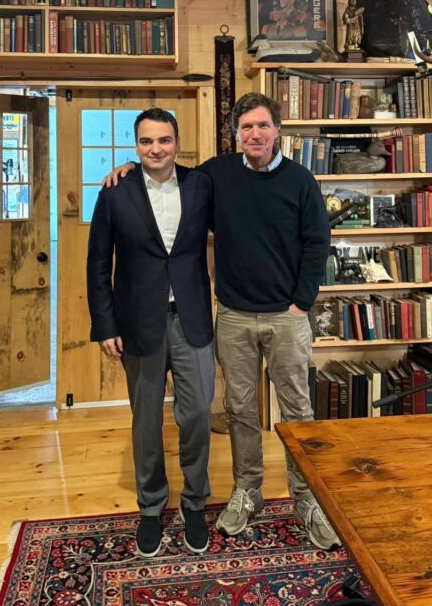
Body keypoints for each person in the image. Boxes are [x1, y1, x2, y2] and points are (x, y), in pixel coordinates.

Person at [103, 93, 341, 551]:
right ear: (235, 134)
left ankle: (308, 498)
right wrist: (131, 169)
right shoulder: (217, 174)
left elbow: (318, 241)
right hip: (232, 315)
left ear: (277, 130)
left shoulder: (300, 180)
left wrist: (301, 303)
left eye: (263, 126)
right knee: (240, 411)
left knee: (298, 412)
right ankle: (247, 490)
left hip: (287, 316)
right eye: (246, 127)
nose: (255, 134)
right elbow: (167, 171)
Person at [87, 108, 215, 559]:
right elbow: (98, 263)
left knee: (197, 414)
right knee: (145, 421)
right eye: (146, 141)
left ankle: (194, 502)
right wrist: (105, 324)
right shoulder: (114, 192)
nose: (155, 149)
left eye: (164, 140)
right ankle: (152, 506)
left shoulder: (202, 185)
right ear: (135, 145)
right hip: (138, 321)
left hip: (192, 317)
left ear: (177, 142)